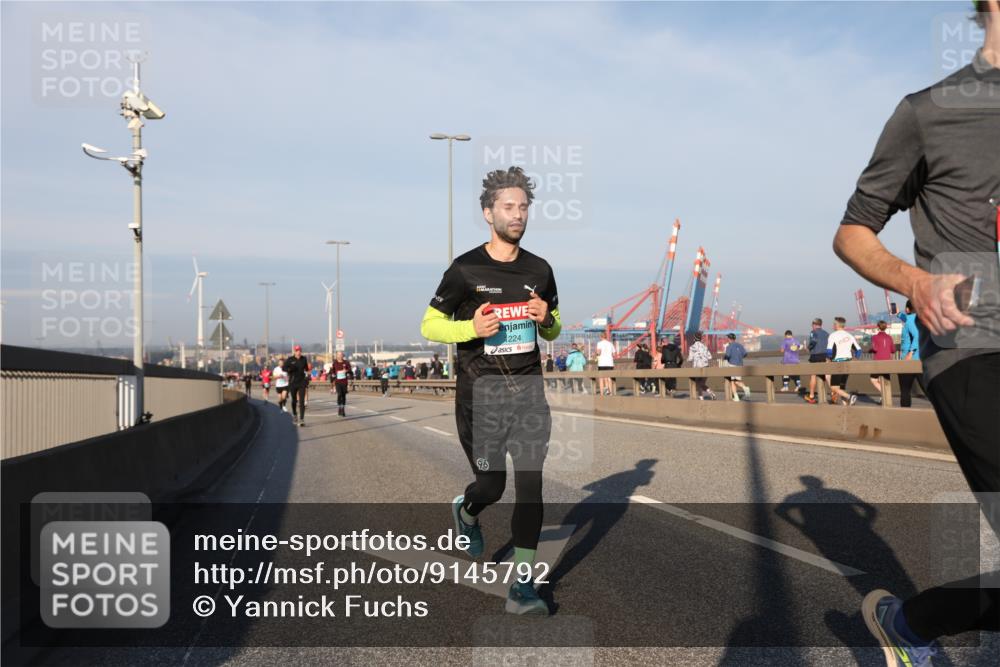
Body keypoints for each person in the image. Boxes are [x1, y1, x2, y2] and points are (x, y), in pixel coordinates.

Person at [833, 4, 1000, 660]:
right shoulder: (929, 112)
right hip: (974, 347)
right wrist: (915, 282)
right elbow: (853, 229)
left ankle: (912, 625)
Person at [420, 166, 561, 616]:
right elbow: (428, 324)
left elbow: (554, 330)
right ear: (488, 213)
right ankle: (467, 510)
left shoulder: (540, 269)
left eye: (523, 207)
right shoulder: (464, 269)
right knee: (492, 485)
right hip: (480, 397)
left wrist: (547, 319)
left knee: (532, 487)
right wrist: (470, 327)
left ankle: (523, 585)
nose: (517, 214)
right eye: (508, 207)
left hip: (528, 394)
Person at [826, 316, 862, 406]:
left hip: (837, 363)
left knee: (834, 387)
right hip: (848, 362)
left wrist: (829, 359)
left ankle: (850, 397)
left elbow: (829, 351)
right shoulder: (849, 335)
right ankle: (845, 405)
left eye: (833, 324)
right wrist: (855, 358)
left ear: (836, 325)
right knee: (841, 386)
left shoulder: (833, 335)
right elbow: (859, 350)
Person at [898, 300, 927, 408]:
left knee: (905, 391)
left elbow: (916, 335)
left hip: (908, 360)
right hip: (921, 358)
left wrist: (910, 353)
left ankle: (905, 417)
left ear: (907, 309)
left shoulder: (909, 320)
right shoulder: (921, 319)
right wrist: (897, 313)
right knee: (929, 390)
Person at [804, 318, 830, 404]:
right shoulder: (826, 333)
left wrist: (808, 348)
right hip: (825, 355)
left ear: (814, 324)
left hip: (815, 355)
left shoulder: (813, 332)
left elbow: (813, 341)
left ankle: (811, 396)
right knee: (826, 375)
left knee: (813, 375)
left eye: (812, 325)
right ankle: (834, 392)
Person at [282, 344, 310, 426]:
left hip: (302, 382)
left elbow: (307, 369)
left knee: (301, 401)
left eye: (300, 351)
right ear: (294, 351)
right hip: (293, 382)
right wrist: (289, 369)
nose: (299, 352)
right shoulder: (290, 359)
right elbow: (284, 368)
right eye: (297, 351)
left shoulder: (304, 359)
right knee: (294, 400)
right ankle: (294, 414)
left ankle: (302, 419)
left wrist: (307, 376)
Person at [868, 320, 895, 401]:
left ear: (878, 327)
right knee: (885, 379)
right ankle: (885, 397)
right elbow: (893, 350)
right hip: (887, 361)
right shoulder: (889, 337)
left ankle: (884, 394)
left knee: (873, 379)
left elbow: (875, 348)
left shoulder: (874, 337)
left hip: (878, 361)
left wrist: (871, 350)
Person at [722, 333, 750, 401]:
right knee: (736, 381)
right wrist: (740, 357)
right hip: (740, 364)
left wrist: (724, 357)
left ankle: (743, 389)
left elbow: (728, 355)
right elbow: (745, 354)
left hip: (732, 364)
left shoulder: (729, 346)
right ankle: (738, 395)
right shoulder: (740, 345)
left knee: (733, 381)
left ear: (729, 339)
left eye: (728, 338)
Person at [689, 331, 714, 400]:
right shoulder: (705, 346)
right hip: (706, 367)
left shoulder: (692, 347)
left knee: (698, 384)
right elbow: (710, 357)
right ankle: (710, 392)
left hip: (697, 367)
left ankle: (701, 398)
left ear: (694, 338)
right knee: (701, 383)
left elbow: (690, 358)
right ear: (700, 338)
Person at [330, 351, 353, 417]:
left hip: (344, 382)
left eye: (341, 355)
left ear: (343, 355)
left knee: (343, 395)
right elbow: (332, 371)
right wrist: (333, 375)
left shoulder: (346, 362)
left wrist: (346, 371)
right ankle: (339, 408)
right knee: (339, 394)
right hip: (338, 382)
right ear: (336, 356)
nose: (340, 356)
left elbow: (350, 370)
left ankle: (342, 409)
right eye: (338, 355)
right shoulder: (335, 363)